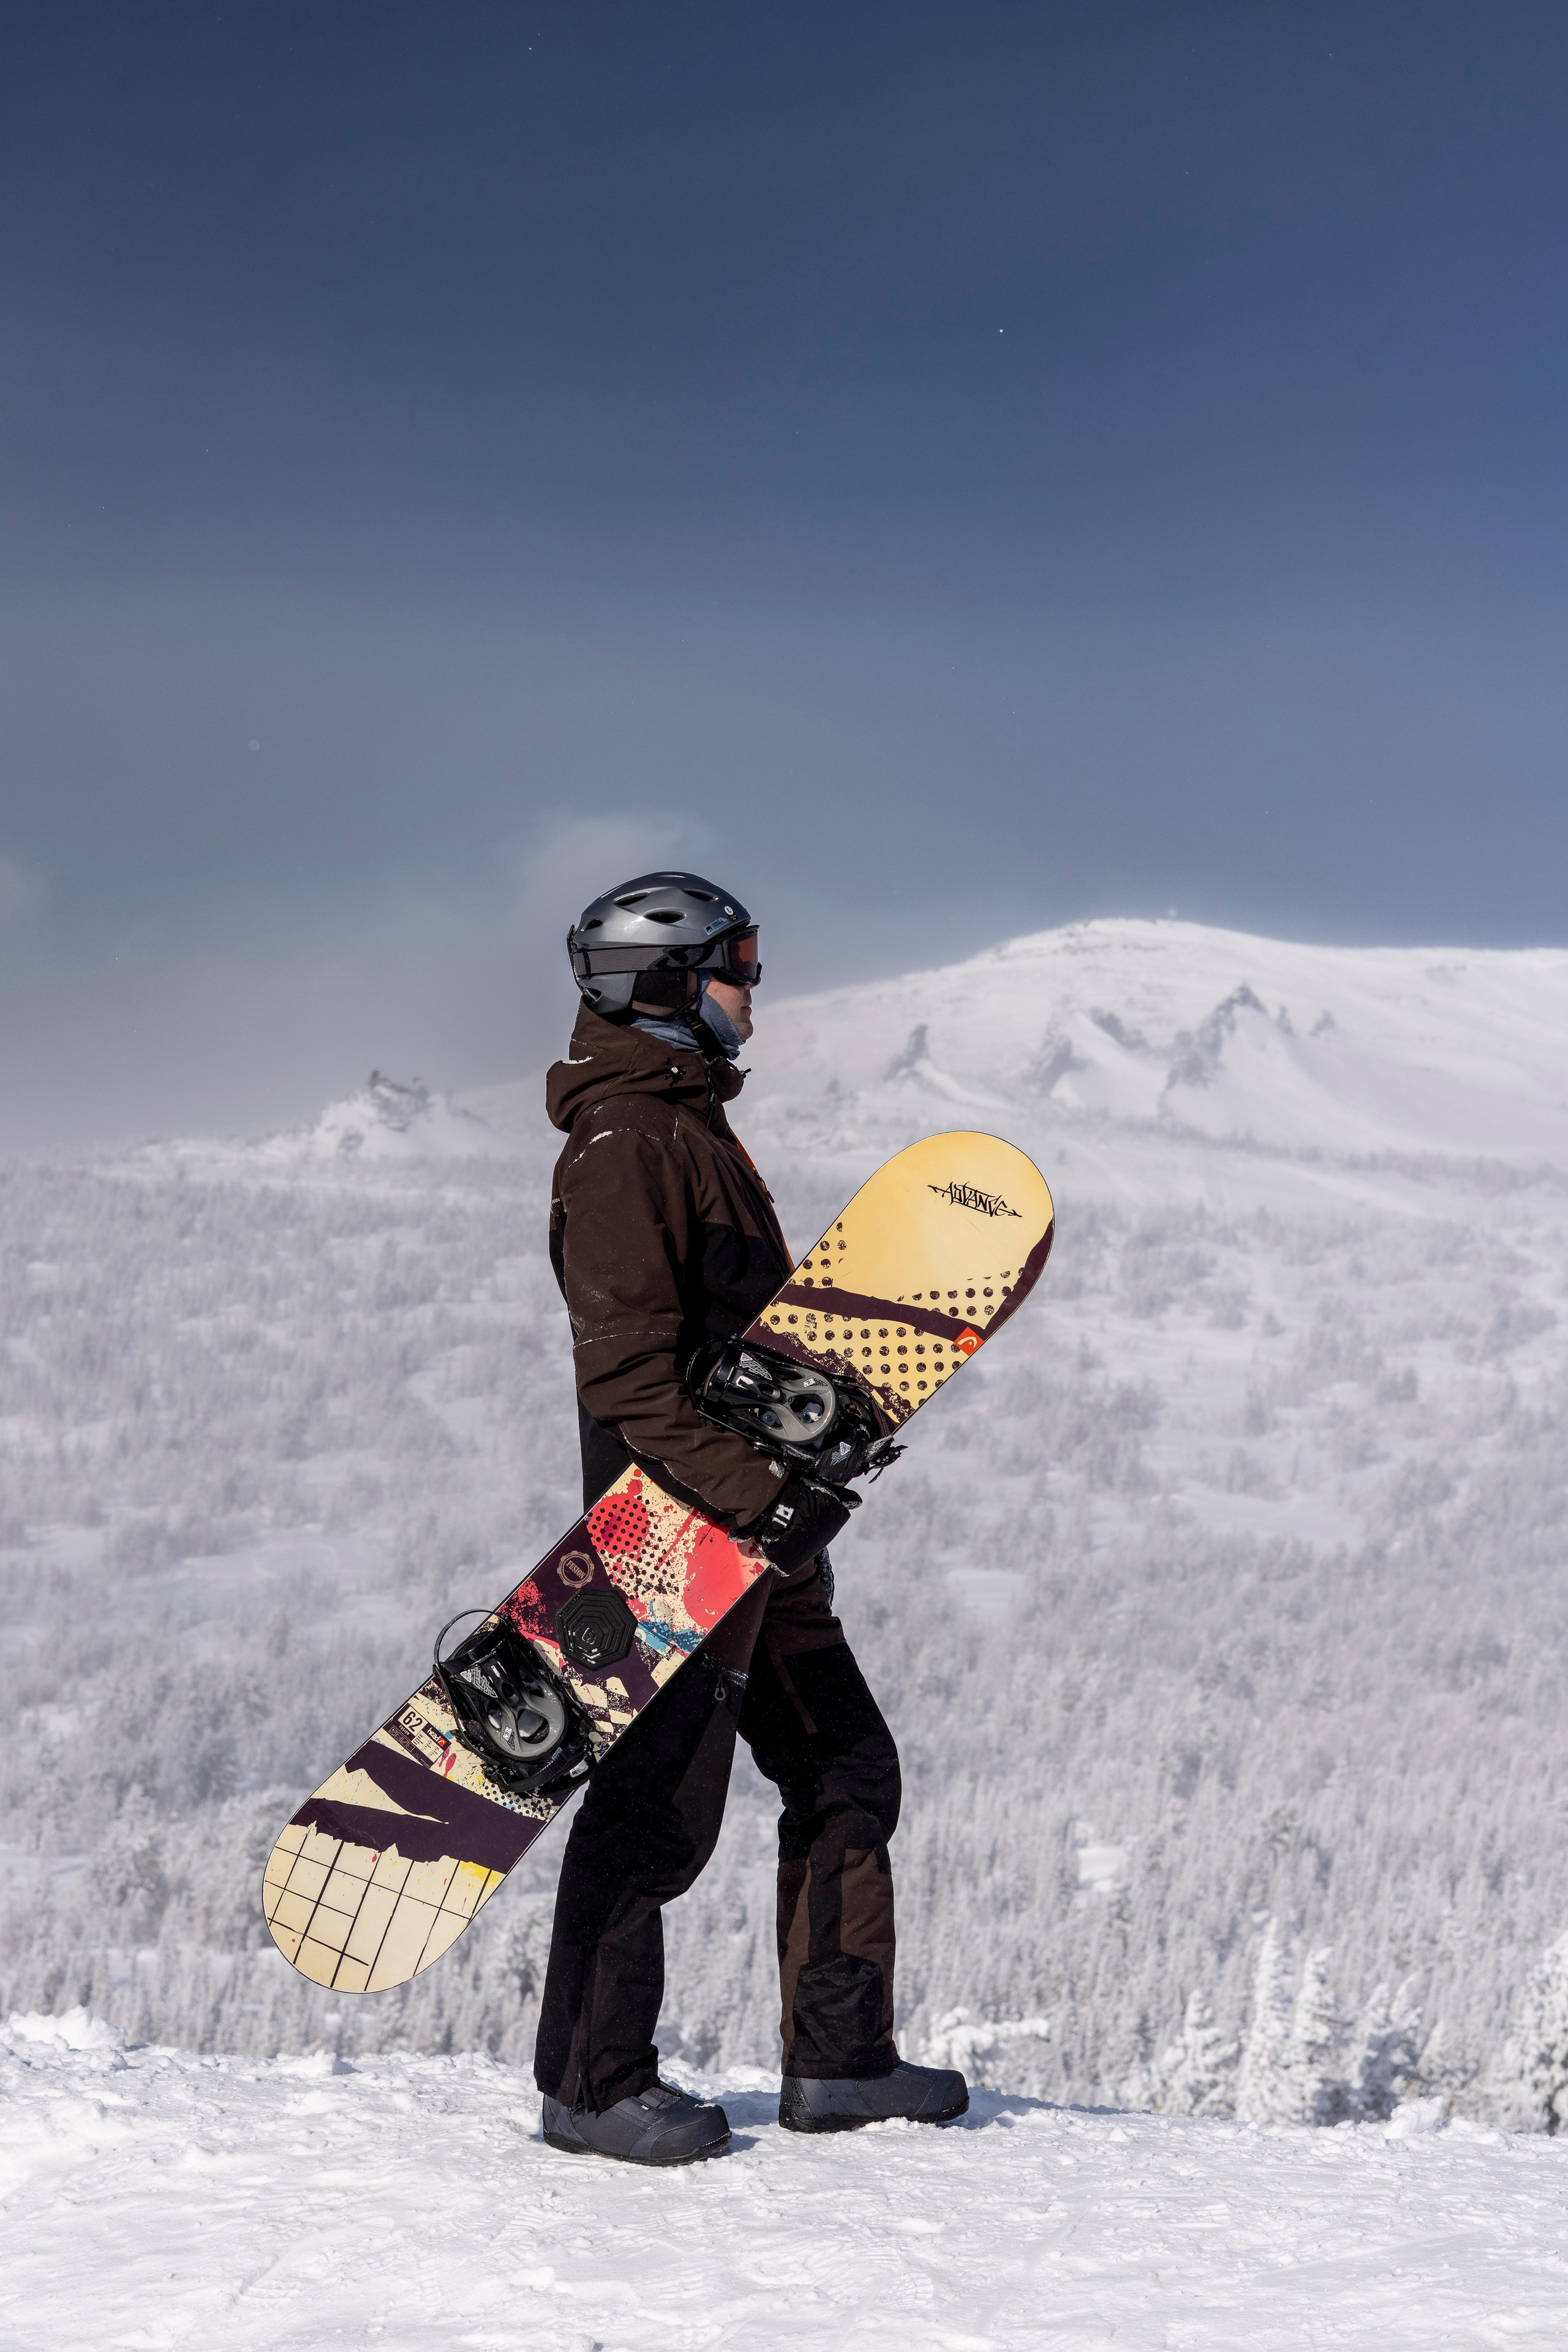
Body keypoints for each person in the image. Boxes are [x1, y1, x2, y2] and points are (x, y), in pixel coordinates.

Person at [535, 870, 967, 2165]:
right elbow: (627, 1385)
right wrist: (758, 1497)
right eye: (736, 972)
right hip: (672, 1543)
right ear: (665, 987)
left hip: (757, 1539)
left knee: (845, 1771)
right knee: (654, 1811)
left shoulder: (689, 1130)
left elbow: (743, 1355)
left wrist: (803, 1485)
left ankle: (837, 2066)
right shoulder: (625, 1149)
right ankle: (588, 2086)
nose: (751, 997)